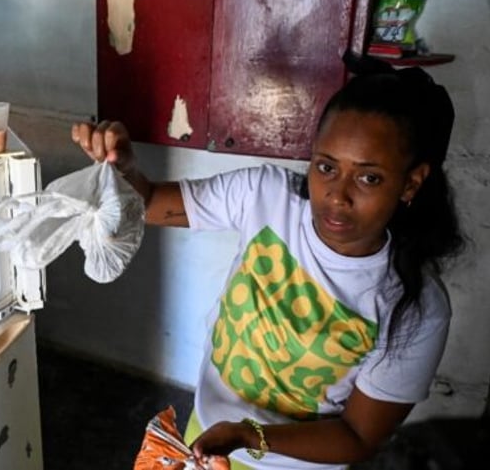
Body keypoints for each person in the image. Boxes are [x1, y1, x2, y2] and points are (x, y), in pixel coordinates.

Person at [71, 57, 464, 470]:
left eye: (368, 178)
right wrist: (125, 168)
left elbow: (357, 436)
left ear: (411, 184)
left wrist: (248, 436)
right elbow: (149, 204)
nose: (337, 196)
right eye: (326, 167)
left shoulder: (415, 305)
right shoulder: (267, 197)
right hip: (207, 436)